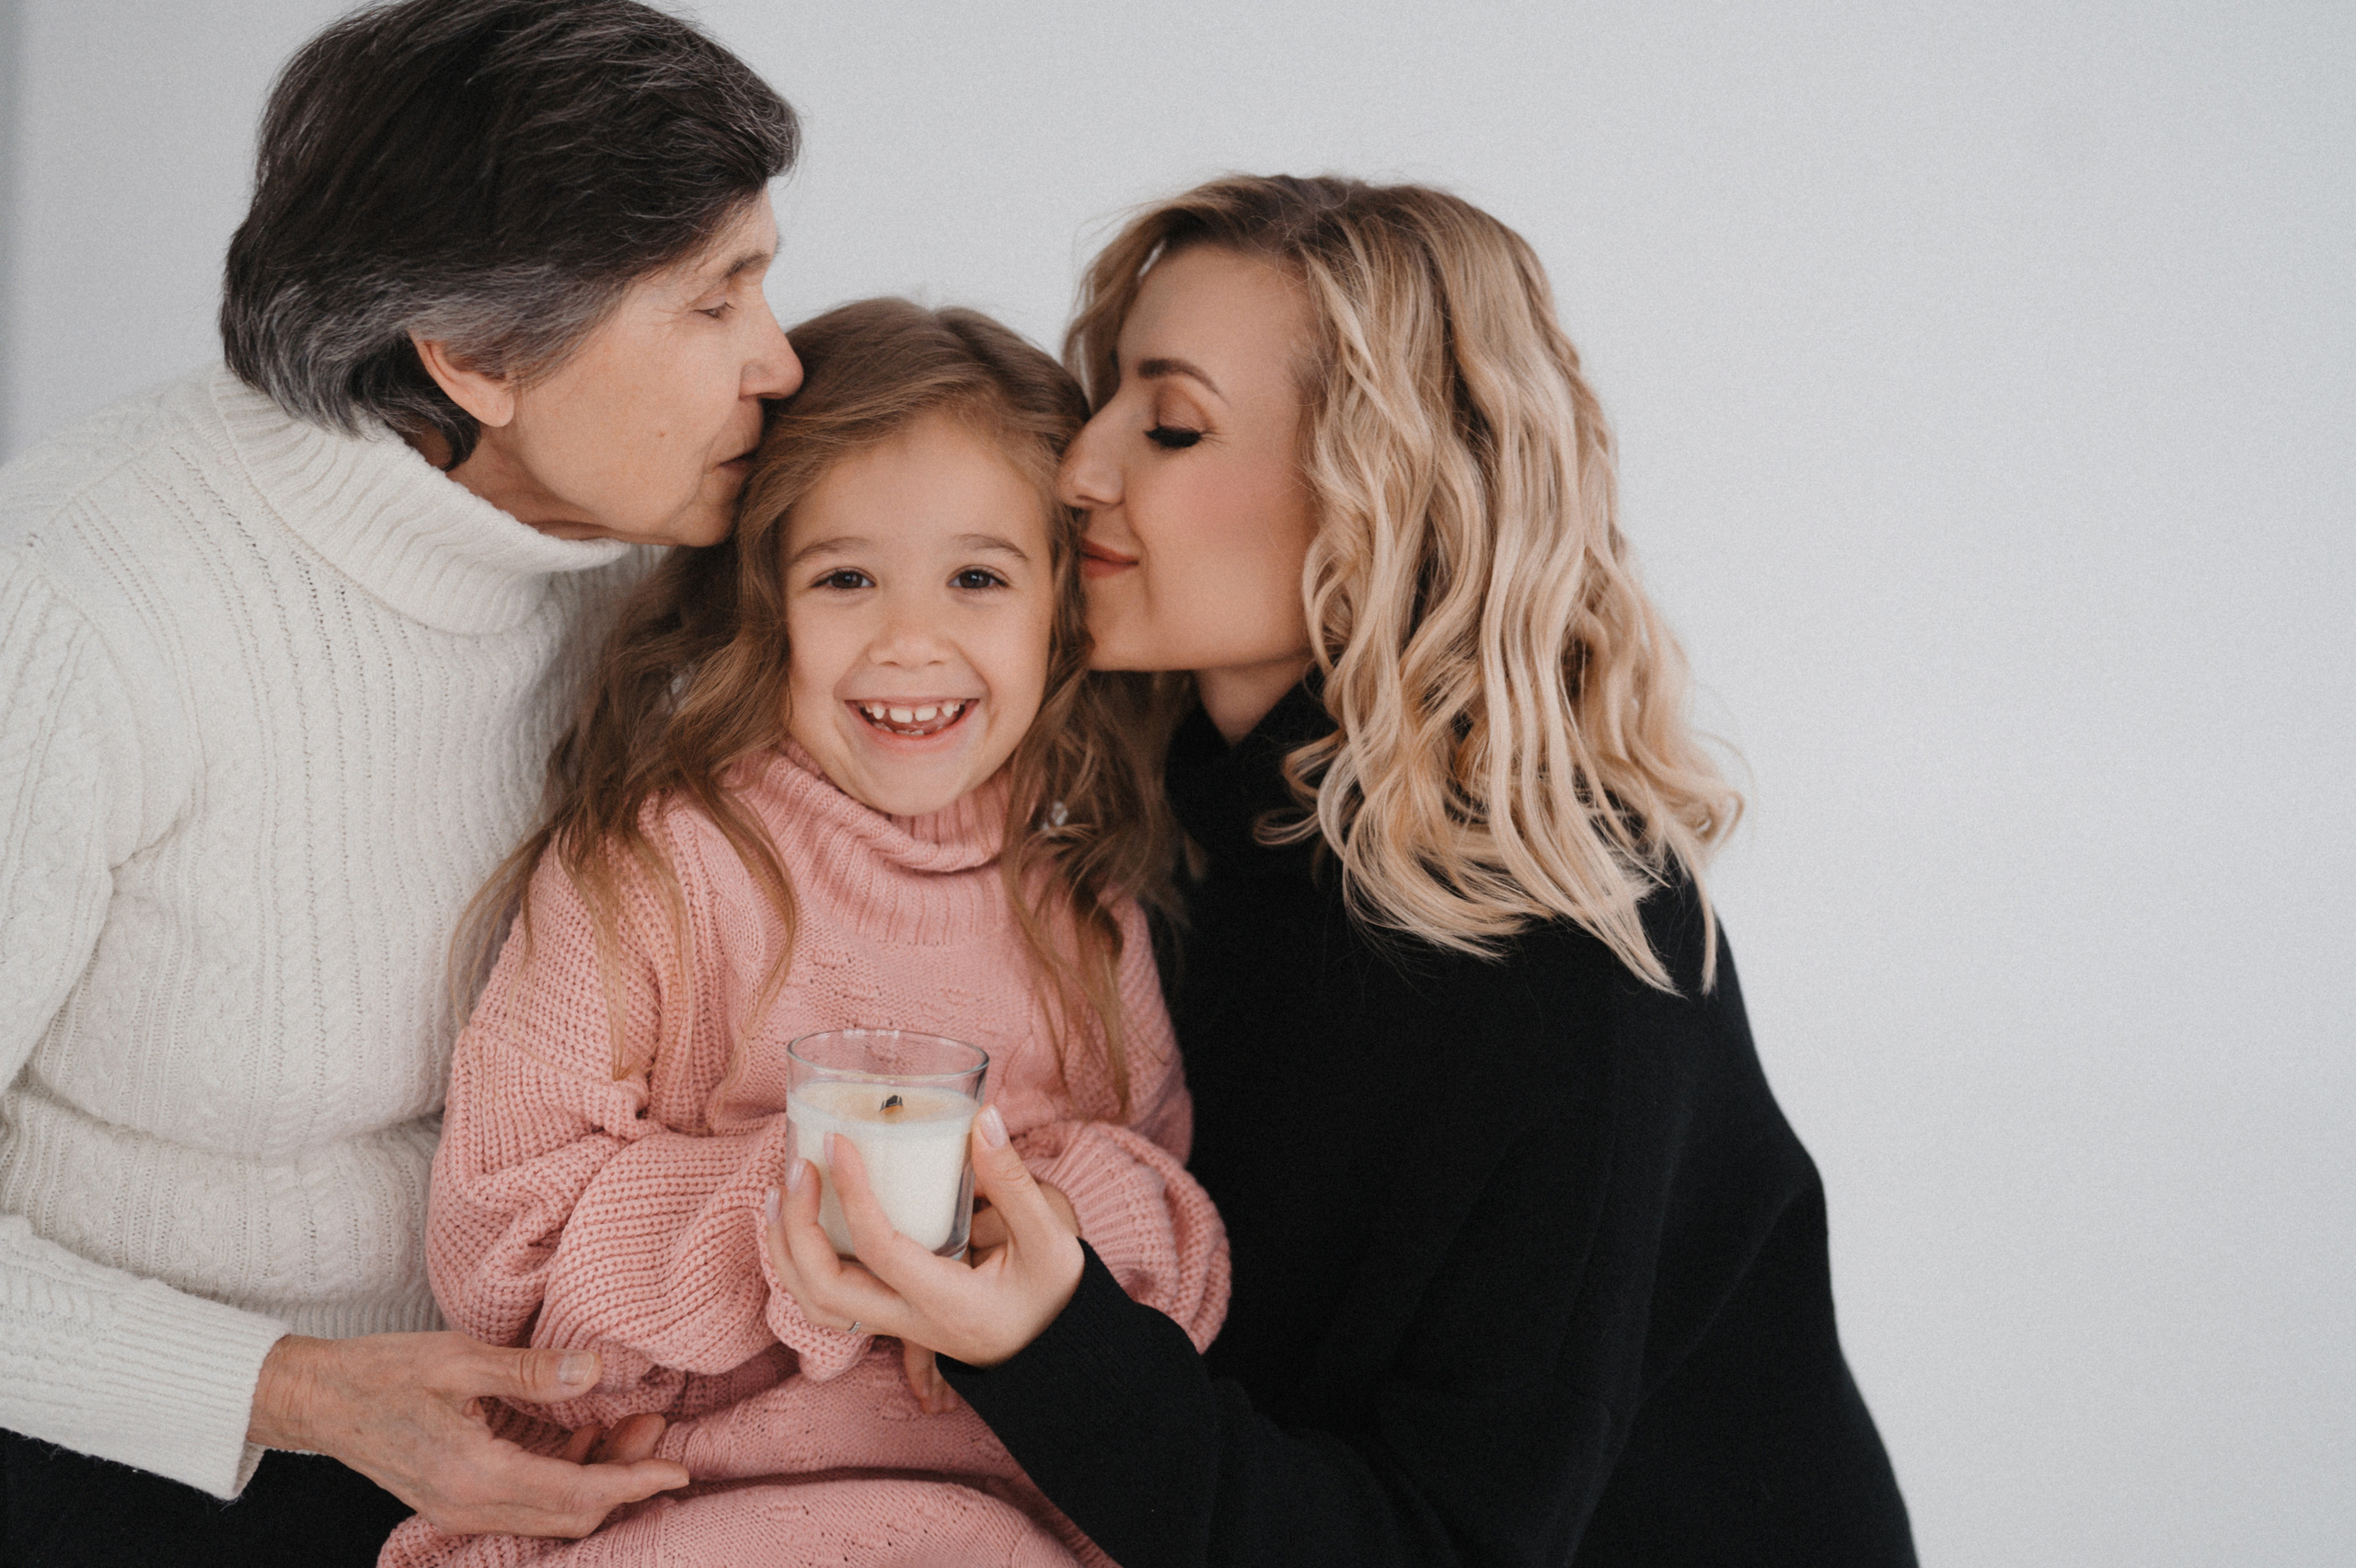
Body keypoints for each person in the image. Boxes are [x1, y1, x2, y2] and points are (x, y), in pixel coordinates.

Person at [766, 175, 1919, 1566]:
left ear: (1377, 491)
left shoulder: (1573, 960)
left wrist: (1051, 1346)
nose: (1081, 467)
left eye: (1173, 423)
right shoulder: (1156, 841)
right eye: (1108, 398)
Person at [0, 3, 801, 1560]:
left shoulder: (648, 563)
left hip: (537, 1433)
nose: (778, 356)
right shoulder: (73, 597)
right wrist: (291, 1391)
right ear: (477, 357)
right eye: (717, 301)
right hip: (128, 1452)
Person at [382, 299, 1228, 1568]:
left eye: (979, 577)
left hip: (1012, 1531)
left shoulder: (1084, 902)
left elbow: (1179, 1253)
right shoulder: (659, 865)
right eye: (845, 578)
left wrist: (1031, 1213)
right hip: (682, 1513)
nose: (909, 640)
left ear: (1061, 607)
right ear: (765, 599)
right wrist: (809, 1213)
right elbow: (504, 1249)